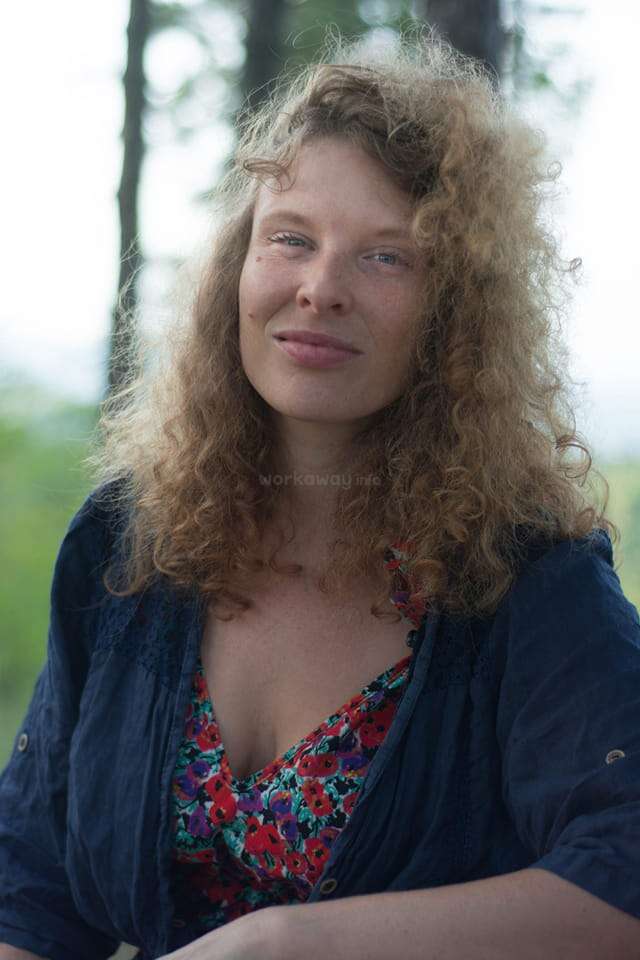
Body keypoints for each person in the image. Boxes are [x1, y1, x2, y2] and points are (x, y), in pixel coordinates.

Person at [1, 30, 640, 960]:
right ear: (236, 270)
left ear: (455, 314)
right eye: (290, 238)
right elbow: (30, 885)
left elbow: (625, 865)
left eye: (388, 257)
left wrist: (294, 942)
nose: (320, 287)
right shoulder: (126, 541)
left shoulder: (524, 578)